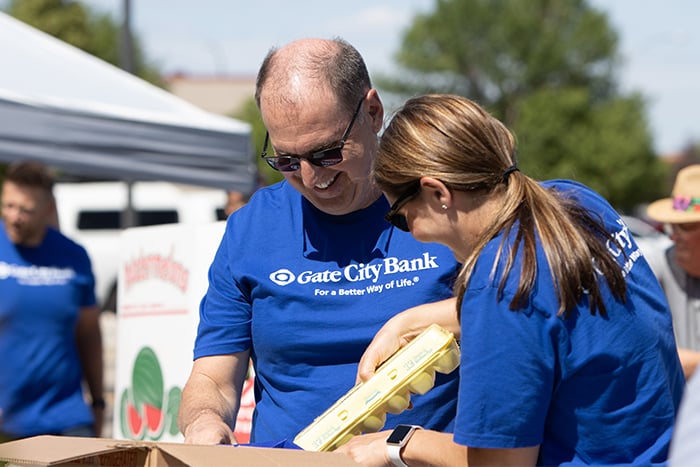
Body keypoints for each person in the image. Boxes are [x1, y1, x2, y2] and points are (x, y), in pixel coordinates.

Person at [337, 94, 685, 466]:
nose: (412, 233)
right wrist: (405, 322)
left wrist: (396, 443)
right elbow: (546, 307)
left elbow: (500, 462)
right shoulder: (574, 202)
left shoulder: (499, 282)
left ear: (438, 193)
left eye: (402, 218)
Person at [177, 39, 460, 445]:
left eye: (327, 153)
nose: (312, 178)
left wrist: (418, 320)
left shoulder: (443, 203)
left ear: (373, 112)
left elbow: (524, 299)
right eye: (287, 161)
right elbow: (213, 378)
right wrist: (204, 423)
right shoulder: (250, 229)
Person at [0, 160, 104, 441]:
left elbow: (89, 334)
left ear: (48, 209)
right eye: (8, 205)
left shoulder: (73, 256)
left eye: (25, 209)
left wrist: (98, 400)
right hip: (6, 423)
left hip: (66, 415)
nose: (14, 216)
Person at [645, 164, 700, 378]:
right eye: (671, 225)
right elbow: (643, 352)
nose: (672, 236)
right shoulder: (654, 268)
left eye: (684, 226)